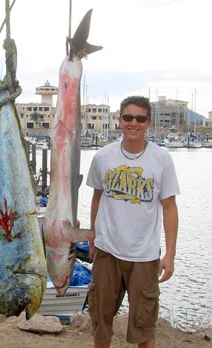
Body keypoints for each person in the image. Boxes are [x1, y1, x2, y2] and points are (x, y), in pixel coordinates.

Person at [86, 96, 179, 348]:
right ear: (120, 120)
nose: (133, 123)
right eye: (128, 117)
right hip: (108, 252)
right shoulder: (103, 156)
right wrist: (93, 236)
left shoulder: (161, 159)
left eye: (139, 118)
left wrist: (169, 254)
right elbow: (97, 198)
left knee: (144, 327)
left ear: (148, 122)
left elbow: (169, 208)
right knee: (101, 324)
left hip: (145, 257)